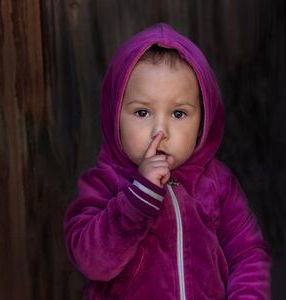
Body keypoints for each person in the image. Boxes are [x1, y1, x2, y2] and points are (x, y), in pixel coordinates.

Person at [64, 23, 271, 299]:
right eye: (141, 112)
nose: (160, 131)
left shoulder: (217, 184)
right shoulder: (104, 183)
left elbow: (247, 254)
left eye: (178, 114)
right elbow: (92, 262)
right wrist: (137, 200)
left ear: (203, 122)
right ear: (114, 116)